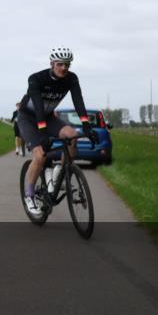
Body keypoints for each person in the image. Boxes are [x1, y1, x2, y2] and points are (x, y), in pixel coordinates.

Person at [16, 48, 97, 217]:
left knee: (72, 136)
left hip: (48, 117)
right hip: (29, 117)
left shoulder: (71, 78)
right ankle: (29, 195)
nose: (63, 68)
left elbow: (78, 100)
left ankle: (58, 172)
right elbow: (38, 105)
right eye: (59, 64)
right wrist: (43, 133)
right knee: (40, 156)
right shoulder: (36, 79)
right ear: (51, 64)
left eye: (66, 65)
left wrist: (86, 125)